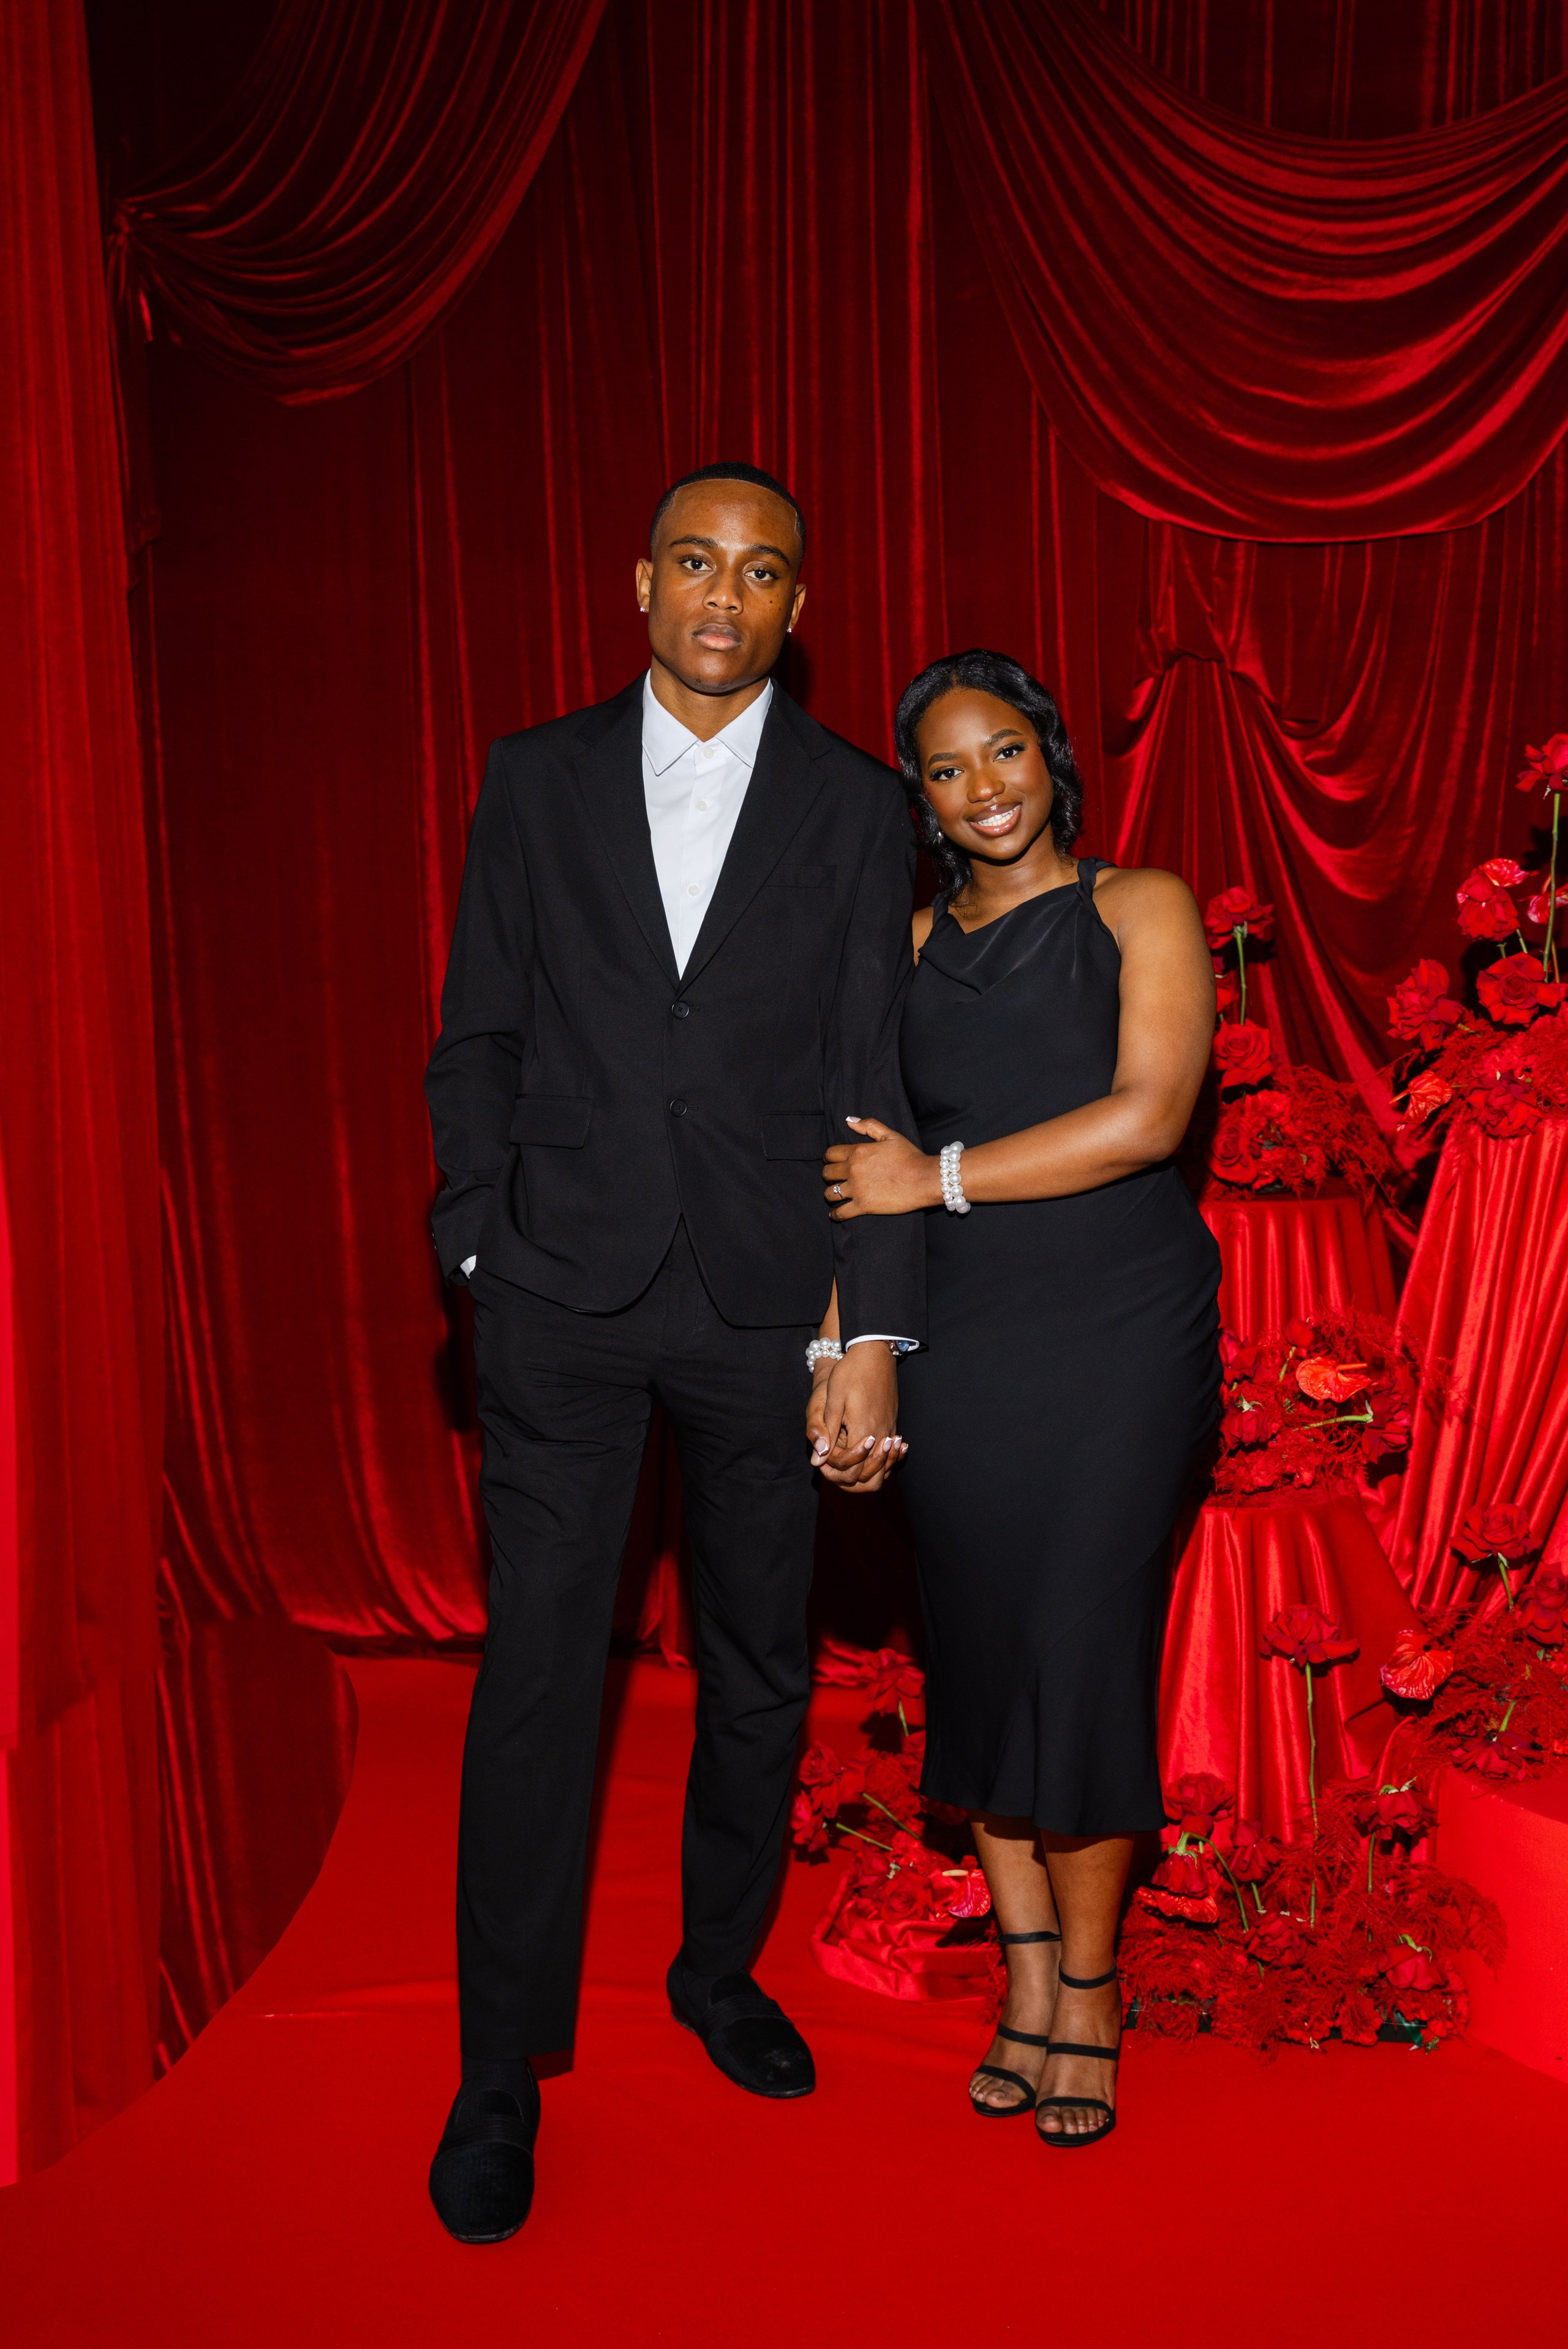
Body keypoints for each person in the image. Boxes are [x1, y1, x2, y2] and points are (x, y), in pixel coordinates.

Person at [423, 463, 924, 2241]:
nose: (729, 594)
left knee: (760, 1670)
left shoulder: (864, 812)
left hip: (763, 1303)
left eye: (766, 570)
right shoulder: (534, 777)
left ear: (799, 607)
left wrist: (868, 1322)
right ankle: (499, 2068)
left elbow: (878, 1079)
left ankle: (719, 1970)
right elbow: (477, 1022)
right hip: (560, 1292)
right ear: (643, 581)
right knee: (542, 1678)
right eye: (699, 561)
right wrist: (476, 1231)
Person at [821, 649, 1219, 2148]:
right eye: (942, 767)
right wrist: (838, 1354)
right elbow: (858, 1179)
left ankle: (1097, 1994)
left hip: (1122, 1336)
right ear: (916, 797)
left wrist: (932, 1176)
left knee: (1080, 1649)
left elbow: (1148, 1114)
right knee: (981, 1656)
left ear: (1051, 758)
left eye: (1003, 753)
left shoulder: (1141, 906)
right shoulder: (903, 950)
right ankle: (1027, 1979)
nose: (980, 787)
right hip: (959, 1347)